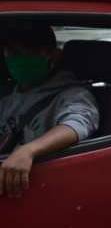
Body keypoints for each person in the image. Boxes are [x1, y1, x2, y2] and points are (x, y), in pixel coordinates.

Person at [0, 20, 99, 197]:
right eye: (9, 53)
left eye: (22, 53)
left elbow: (76, 125)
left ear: (52, 56)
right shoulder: (10, 96)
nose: (13, 60)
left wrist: (28, 150)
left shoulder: (73, 95)